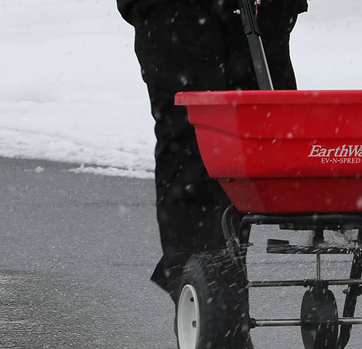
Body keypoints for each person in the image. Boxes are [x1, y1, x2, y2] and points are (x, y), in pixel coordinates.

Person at [118, 0, 308, 303]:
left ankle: (212, 293)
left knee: (254, 140)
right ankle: (206, 298)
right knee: (196, 142)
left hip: (259, 11)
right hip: (179, 16)